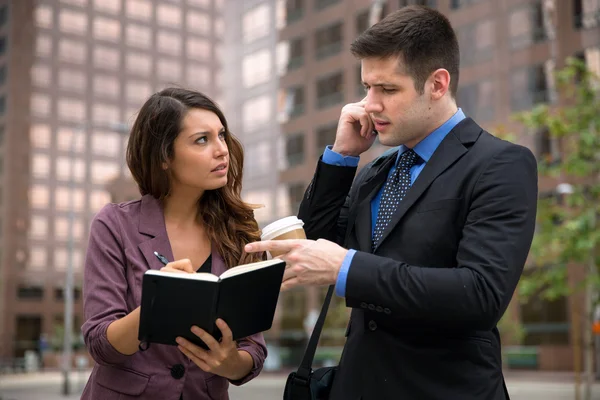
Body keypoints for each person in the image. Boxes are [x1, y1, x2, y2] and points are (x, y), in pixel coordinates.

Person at [245, 6, 537, 400]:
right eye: (367, 87)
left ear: (437, 84)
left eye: (387, 89)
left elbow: (480, 294)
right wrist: (341, 158)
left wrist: (347, 267)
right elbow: (314, 239)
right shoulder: (376, 170)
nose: (369, 104)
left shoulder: (500, 163)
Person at [81, 88, 267, 400]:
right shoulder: (114, 225)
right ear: (164, 156)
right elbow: (101, 345)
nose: (222, 150)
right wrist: (160, 300)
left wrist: (230, 363)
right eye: (202, 140)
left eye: (222, 135)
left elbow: (253, 350)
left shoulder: (240, 231)